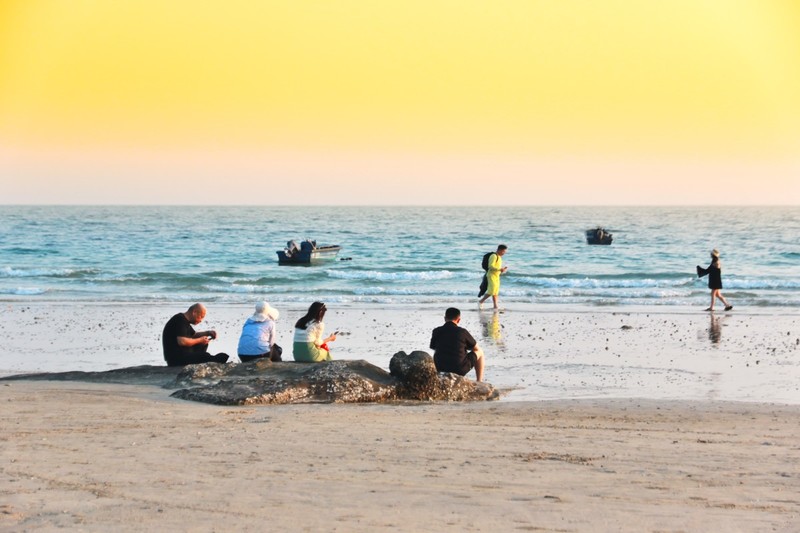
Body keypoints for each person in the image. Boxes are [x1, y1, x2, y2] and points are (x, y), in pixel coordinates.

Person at [162, 303, 229, 366]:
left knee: (203, 344)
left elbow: (194, 335)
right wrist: (200, 340)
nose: (201, 320)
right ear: (194, 312)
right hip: (175, 359)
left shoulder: (185, 321)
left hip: (182, 355)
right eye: (201, 317)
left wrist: (208, 333)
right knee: (206, 356)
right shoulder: (180, 320)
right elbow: (182, 341)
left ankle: (211, 359)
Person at [430, 307, 485, 382]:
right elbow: (476, 348)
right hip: (459, 369)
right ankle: (479, 381)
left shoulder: (436, 331)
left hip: (440, 368)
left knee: (437, 351)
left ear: (445, 318)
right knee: (480, 352)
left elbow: (433, 347)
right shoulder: (462, 332)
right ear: (458, 319)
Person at [478, 244, 508, 309]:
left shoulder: (499, 257)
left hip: (496, 276)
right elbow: (490, 266)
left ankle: (495, 306)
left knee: (496, 291)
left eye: (505, 252)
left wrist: (502, 270)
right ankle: (481, 301)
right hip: (491, 275)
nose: (504, 253)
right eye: (503, 251)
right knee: (492, 290)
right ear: (499, 250)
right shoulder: (494, 256)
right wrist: (500, 269)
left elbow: (496, 267)